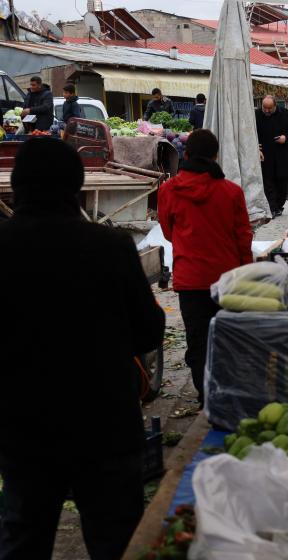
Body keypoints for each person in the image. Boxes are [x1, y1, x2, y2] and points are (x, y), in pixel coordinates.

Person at [0, 138, 165, 559]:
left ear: (18, 187)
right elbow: (148, 332)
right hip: (105, 424)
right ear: (76, 187)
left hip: (22, 427)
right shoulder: (109, 248)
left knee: (23, 537)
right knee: (116, 540)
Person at [158, 129, 253, 406]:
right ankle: (227, 393)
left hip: (190, 279)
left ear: (186, 156)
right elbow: (243, 237)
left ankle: (205, 397)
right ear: (215, 156)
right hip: (228, 278)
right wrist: (246, 272)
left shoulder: (167, 190)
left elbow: (167, 232)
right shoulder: (232, 192)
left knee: (197, 341)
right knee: (227, 338)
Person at [255, 95, 288, 216]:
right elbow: (250, 132)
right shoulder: (256, 114)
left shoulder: (286, 114)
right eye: (265, 108)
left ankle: (278, 206)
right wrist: (255, 145)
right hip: (264, 154)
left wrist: (285, 138)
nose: (267, 111)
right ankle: (272, 208)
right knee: (268, 182)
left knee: (282, 183)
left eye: (270, 108)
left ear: (275, 106)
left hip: (281, 154)